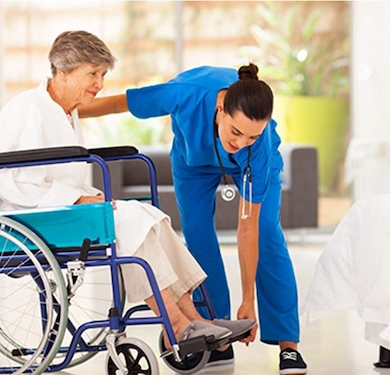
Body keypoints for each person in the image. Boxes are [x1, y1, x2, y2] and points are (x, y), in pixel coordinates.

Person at [0, 30, 255, 351]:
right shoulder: (28, 106)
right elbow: (9, 178)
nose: (99, 83)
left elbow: (65, 174)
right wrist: (77, 199)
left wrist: (86, 198)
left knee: (149, 216)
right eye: (92, 74)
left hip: (59, 211)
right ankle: (177, 326)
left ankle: (196, 317)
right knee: (127, 222)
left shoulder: (66, 114)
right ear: (63, 70)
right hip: (24, 215)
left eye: (103, 74)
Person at [79, 63, 308, 374]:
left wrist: (248, 300)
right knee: (198, 237)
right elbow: (122, 103)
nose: (240, 142)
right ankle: (216, 337)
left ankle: (288, 346)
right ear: (220, 109)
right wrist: (67, 111)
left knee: (266, 232)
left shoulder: (258, 147)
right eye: (236, 131)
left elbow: (247, 227)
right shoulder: (186, 93)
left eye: (251, 136)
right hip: (194, 163)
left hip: (251, 168)